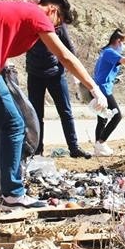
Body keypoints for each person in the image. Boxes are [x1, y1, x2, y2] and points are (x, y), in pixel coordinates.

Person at [0, 0, 108, 207]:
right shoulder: (37, 15)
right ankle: (12, 193)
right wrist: (94, 88)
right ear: (52, 10)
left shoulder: (14, 8)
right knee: (14, 125)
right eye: (56, 25)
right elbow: (65, 56)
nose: (53, 31)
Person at [25, 10, 91, 159]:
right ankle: (37, 150)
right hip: (34, 74)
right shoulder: (31, 26)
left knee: (65, 112)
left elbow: (70, 50)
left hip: (55, 74)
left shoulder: (59, 27)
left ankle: (74, 147)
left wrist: (75, 76)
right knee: (36, 114)